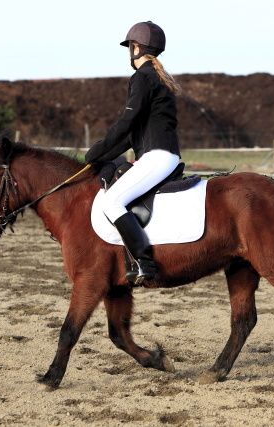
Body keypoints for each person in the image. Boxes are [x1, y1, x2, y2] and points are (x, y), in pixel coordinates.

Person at [85, 21, 182, 284]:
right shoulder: (159, 77)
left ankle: (144, 262)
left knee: (111, 202)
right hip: (164, 154)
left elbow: (126, 123)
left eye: (130, 47)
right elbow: (132, 135)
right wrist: (102, 155)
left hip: (157, 156)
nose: (129, 51)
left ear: (136, 47)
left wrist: (96, 150)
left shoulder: (142, 77)